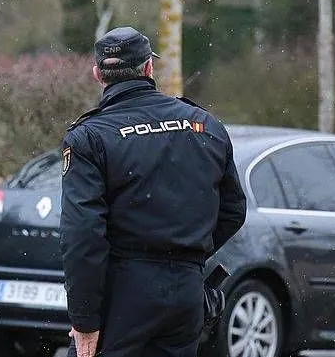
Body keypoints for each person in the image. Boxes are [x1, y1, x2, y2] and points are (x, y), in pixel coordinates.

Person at [59, 26, 247, 357]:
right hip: (186, 293)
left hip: (125, 291)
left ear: (97, 74)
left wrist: (85, 321)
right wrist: (184, 251)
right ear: (149, 68)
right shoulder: (204, 125)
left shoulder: (90, 137)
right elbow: (233, 210)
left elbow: (83, 236)